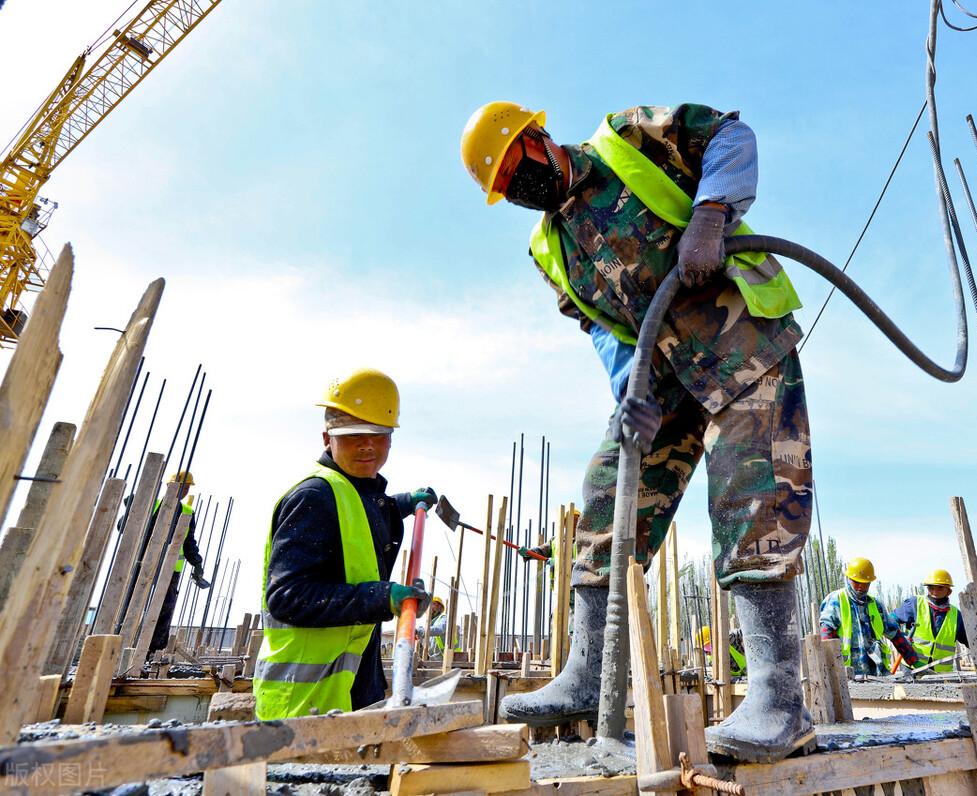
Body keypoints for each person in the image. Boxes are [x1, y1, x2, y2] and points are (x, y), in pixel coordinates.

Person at [462, 101, 812, 763]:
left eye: (518, 167)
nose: (520, 188)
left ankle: (777, 700)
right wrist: (630, 393)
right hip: (666, 375)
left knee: (751, 492)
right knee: (606, 490)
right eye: (506, 188)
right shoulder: (550, 249)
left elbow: (729, 136)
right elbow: (601, 328)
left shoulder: (628, 138)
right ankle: (589, 675)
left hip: (741, 338)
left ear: (539, 138)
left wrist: (710, 214)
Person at [252, 367, 436, 719]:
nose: (367, 444)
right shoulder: (314, 497)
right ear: (327, 438)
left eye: (378, 433)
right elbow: (287, 597)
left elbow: (363, 520)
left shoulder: (356, 492)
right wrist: (382, 598)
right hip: (304, 707)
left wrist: (403, 503)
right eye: (352, 434)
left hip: (350, 689)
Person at [819, 557, 921, 676]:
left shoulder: (875, 605)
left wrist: (913, 660)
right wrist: (832, 668)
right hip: (846, 674)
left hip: (875, 673)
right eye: (856, 582)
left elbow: (895, 634)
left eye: (865, 583)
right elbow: (826, 635)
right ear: (848, 579)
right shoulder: (836, 600)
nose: (860, 586)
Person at [147, 471, 207, 657]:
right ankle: (123, 640)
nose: (185, 490)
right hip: (144, 564)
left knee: (165, 609)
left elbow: (189, 542)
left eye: (188, 487)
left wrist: (196, 563)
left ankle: (153, 651)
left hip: (171, 569)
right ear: (170, 485)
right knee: (135, 604)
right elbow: (127, 527)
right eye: (183, 486)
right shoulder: (152, 504)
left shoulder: (187, 511)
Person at [890, 568, 969, 673]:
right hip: (913, 667)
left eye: (940, 588)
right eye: (931, 588)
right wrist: (900, 636)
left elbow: (970, 640)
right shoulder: (915, 604)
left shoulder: (956, 615)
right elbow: (891, 620)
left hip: (942, 672)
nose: (934, 592)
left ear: (949, 592)